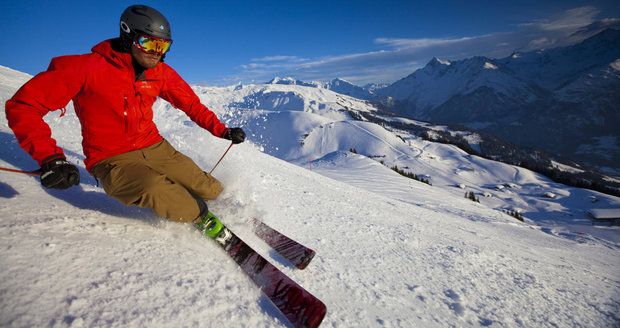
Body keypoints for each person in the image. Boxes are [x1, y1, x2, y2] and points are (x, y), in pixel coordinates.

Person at [5, 5, 245, 225]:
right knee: (162, 192)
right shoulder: (84, 68)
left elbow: (191, 105)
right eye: (149, 44)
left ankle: (224, 211)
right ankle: (202, 220)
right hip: (111, 159)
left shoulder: (161, 73)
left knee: (209, 188)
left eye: (163, 46)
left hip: (156, 147)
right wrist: (50, 158)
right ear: (128, 35)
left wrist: (221, 130)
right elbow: (23, 105)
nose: (156, 53)